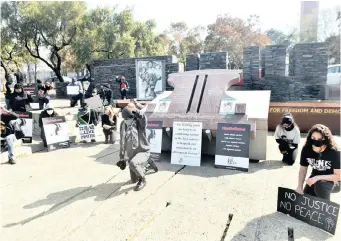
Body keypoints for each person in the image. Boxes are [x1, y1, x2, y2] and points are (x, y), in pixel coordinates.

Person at [116, 100, 158, 191]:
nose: (127, 121)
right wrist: (122, 158)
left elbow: (143, 117)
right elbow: (122, 141)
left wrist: (135, 110)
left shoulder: (139, 123)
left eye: (128, 118)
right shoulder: (123, 124)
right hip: (132, 152)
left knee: (133, 163)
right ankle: (149, 163)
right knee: (133, 180)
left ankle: (143, 180)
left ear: (132, 116)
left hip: (143, 150)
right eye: (125, 119)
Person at [295, 124, 340, 201]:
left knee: (320, 185)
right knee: (305, 200)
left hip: (334, 181)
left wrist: (317, 177)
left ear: (325, 139)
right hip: (315, 179)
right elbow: (303, 169)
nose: (316, 140)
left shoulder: (334, 152)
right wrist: (299, 186)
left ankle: (326, 209)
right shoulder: (306, 149)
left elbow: (338, 176)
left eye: (319, 138)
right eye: (313, 138)